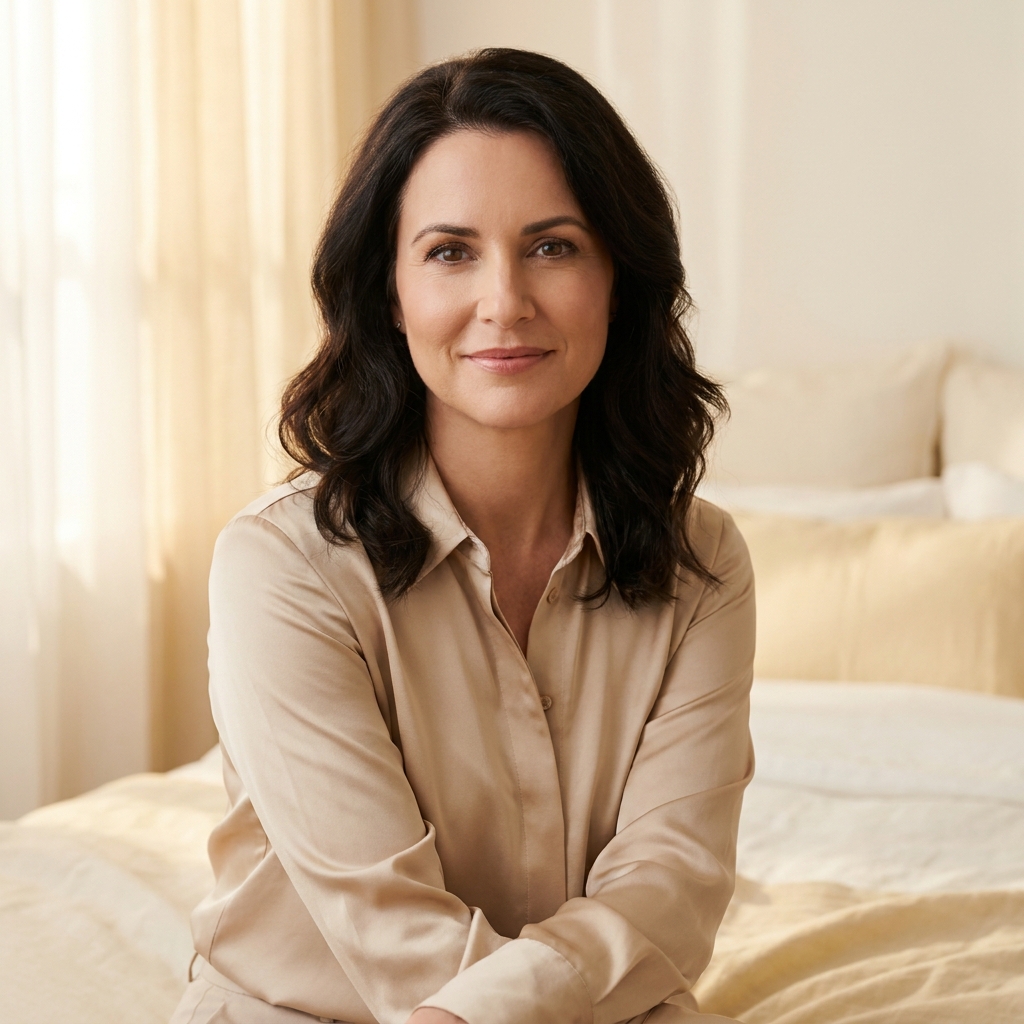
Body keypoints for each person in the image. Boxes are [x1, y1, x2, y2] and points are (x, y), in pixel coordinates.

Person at [170, 48, 754, 1024]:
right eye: (450, 252)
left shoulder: (704, 563)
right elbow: (389, 929)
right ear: (389, 295)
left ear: (619, 278)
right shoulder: (280, 564)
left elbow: (670, 885)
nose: (504, 300)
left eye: (553, 247)